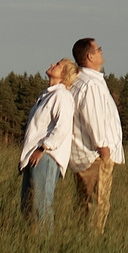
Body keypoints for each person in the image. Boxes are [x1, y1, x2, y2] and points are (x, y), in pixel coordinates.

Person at [67, 36, 125, 234]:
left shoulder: (82, 81)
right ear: (90, 56)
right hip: (95, 158)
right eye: (99, 49)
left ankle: (84, 242)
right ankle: (92, 246)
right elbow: (94, 119)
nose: (102, 52)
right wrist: (104, 150)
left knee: (85, 206)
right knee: (96, 207)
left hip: (88, 156)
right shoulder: (90, 84)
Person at [18, 59, 77, 235]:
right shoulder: (46, 96)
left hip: (46, 157)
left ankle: (44, 247)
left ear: (64, 74)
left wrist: (43, 148)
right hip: (34, 156)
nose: (52, 65)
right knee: (28, 206)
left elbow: (63, 127)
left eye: (57, 65)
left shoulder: (62, 96)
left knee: (40, 205)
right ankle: (31, 244)